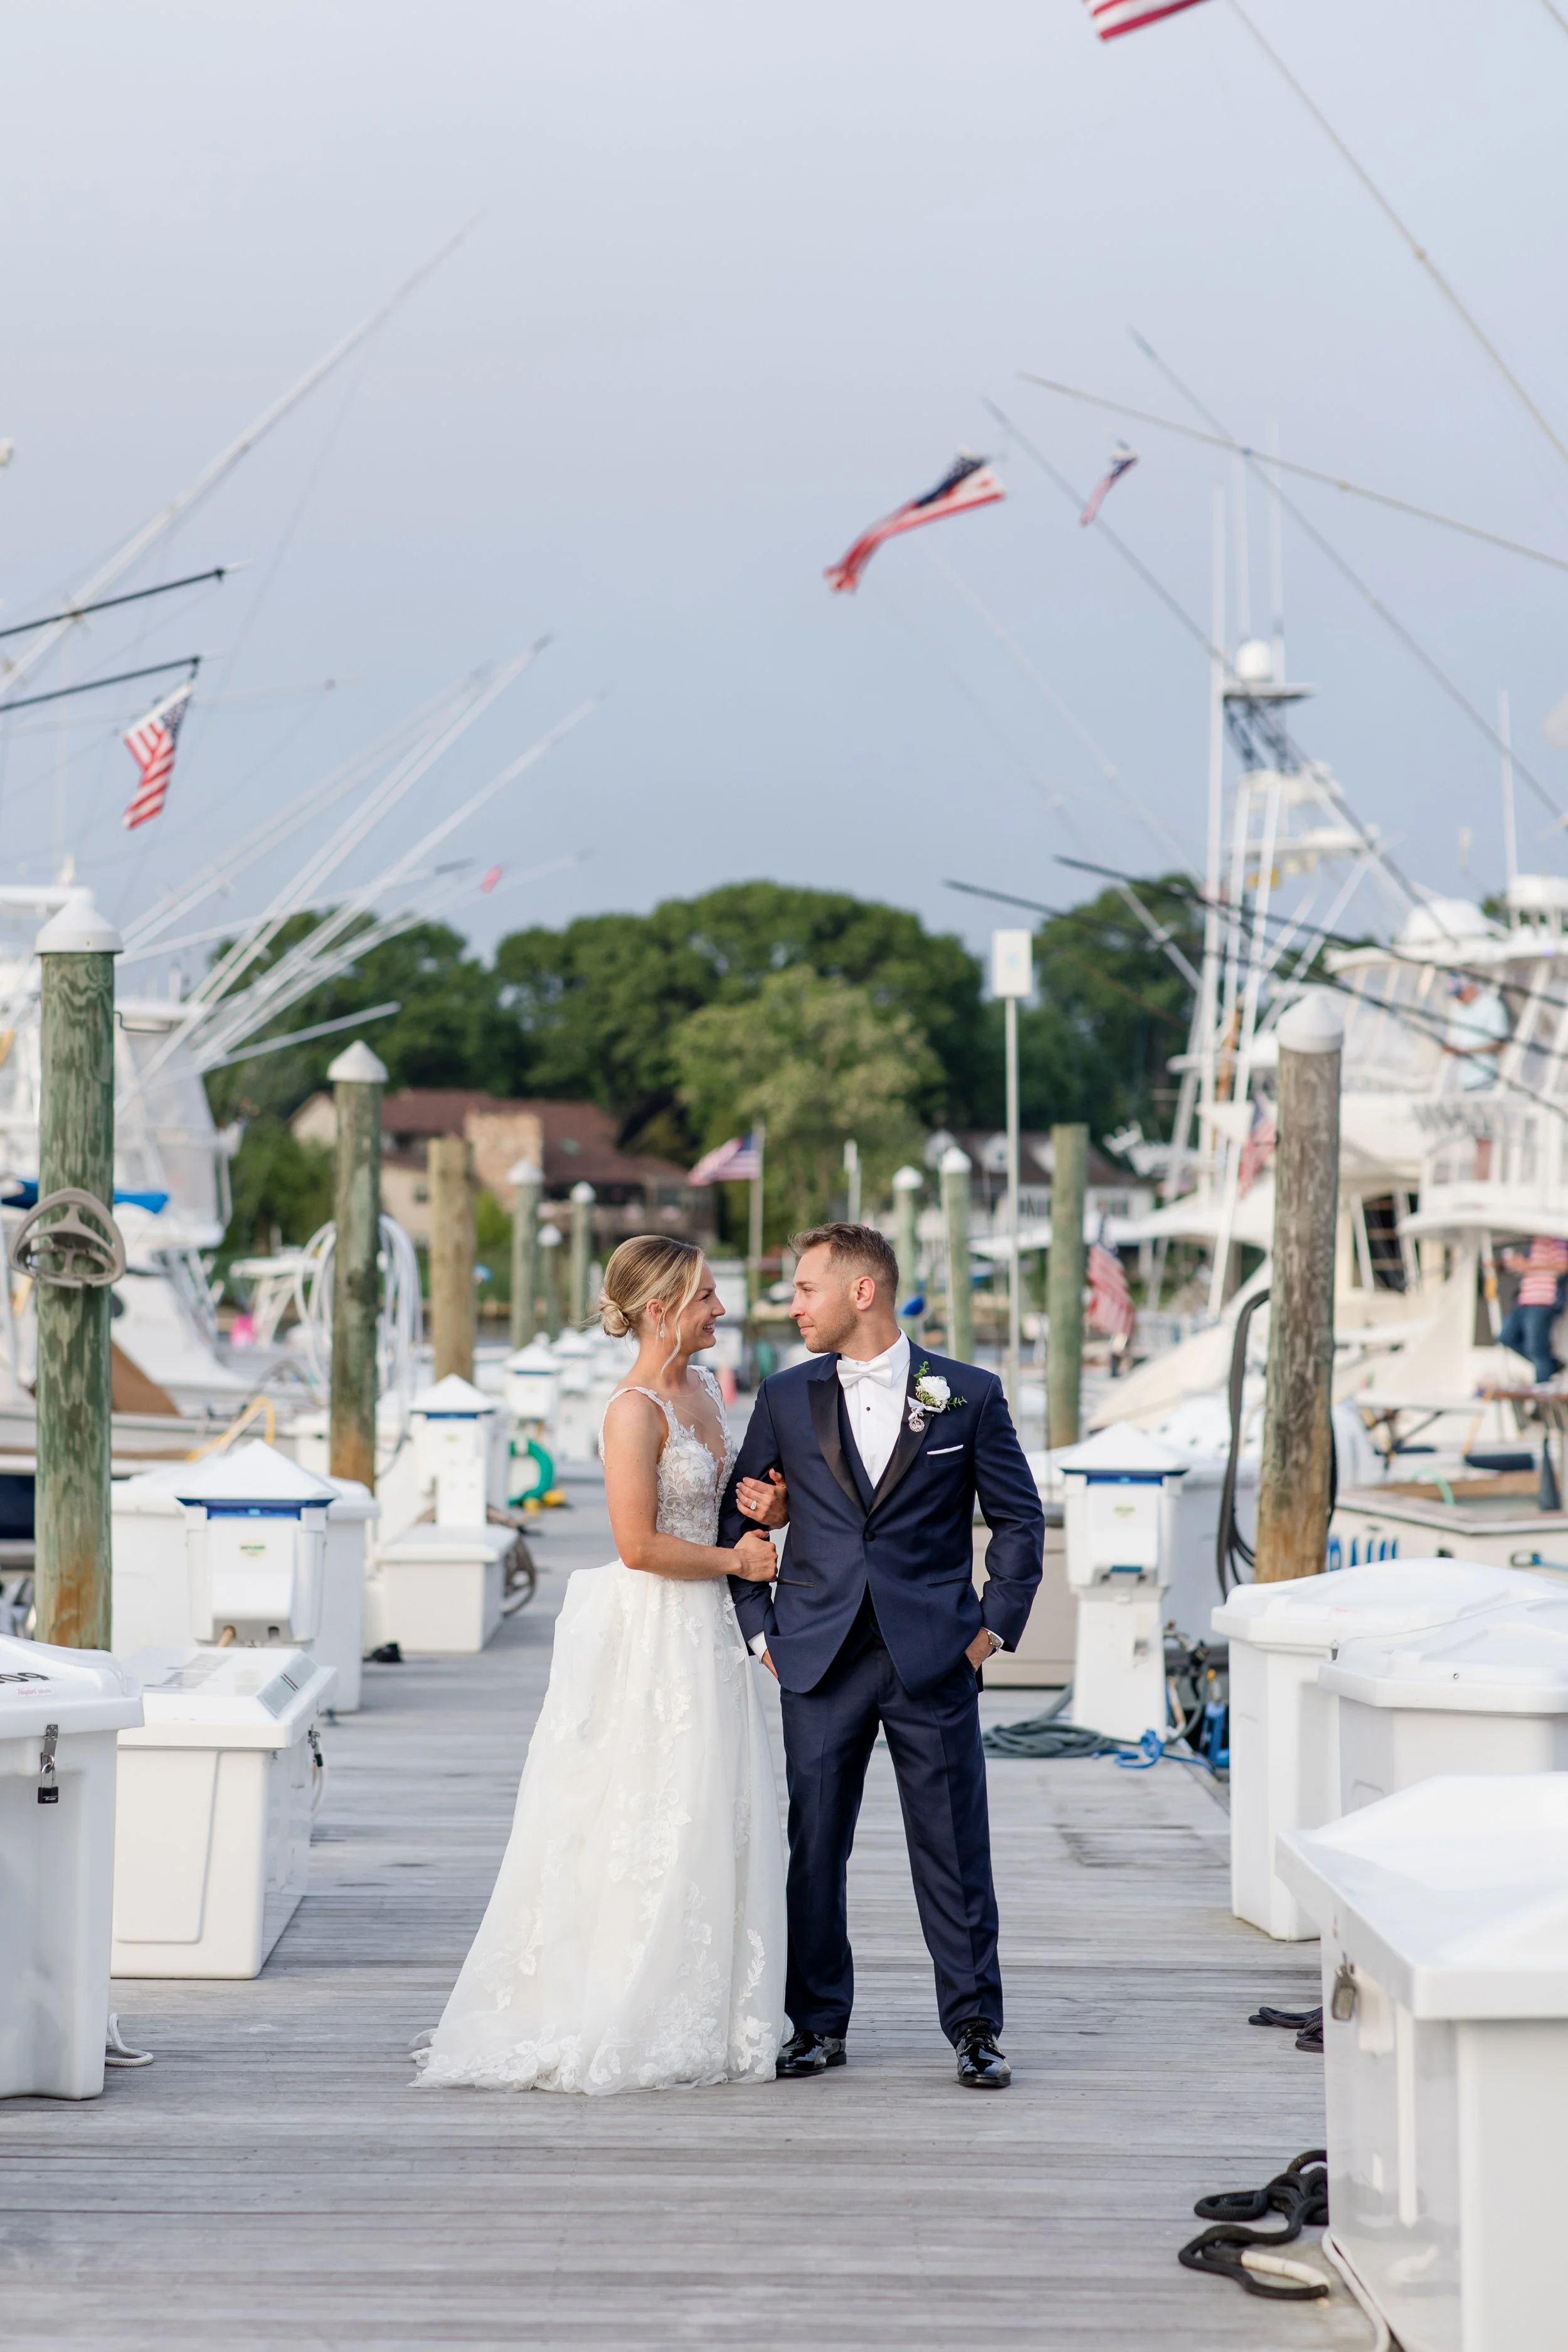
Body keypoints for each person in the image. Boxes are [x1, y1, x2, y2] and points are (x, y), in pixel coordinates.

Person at [415, 1237, 788, 2095]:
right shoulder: (633, 1410)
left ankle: (712, 1996)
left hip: (709, 1631)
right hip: (658, 1628)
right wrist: (738, 1565)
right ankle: (627, 1995)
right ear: (659, 1309)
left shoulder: (700, 1391)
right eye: (706, 1297)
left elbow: (723, 1508)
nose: (720, 1311)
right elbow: (639, 1544)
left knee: (711, 1805)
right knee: (649, 1805)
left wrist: (770, 1512)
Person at [721, 1223, 1044, 2090]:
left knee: (953, 1847)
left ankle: (976, 2027)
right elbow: (741, 1518)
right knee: (814, 1847)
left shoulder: (967, 1393)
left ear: (862, 1291)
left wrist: (992, 1629)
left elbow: (1019, 1519)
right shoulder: (786, 1397)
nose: (793, 1305)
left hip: (933, 1656)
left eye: (804, 1289)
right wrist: (761, 1632)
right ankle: (816, 2024)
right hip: (817, 1657)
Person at [1498, 1234, 1568, 1385]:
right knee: (1506, 1337)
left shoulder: (1555, 1239)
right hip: (1524, 1300)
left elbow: (1563, 1265)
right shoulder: (1533, 1244)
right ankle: (1552, 1364)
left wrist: (1528, 1266)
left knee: (1536, 1348)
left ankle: (1543, 1385)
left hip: (1542, 1300)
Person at [1442, 974, 1508, 1091]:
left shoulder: (1491, 1006)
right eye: (1456, 996)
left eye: (1460, 994)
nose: (1459, 999)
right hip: (1465, 1080)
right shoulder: (1459, 1011)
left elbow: (1499, 1044)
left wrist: (1468, 1051)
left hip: (1487, 1077)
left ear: (1471, 988)